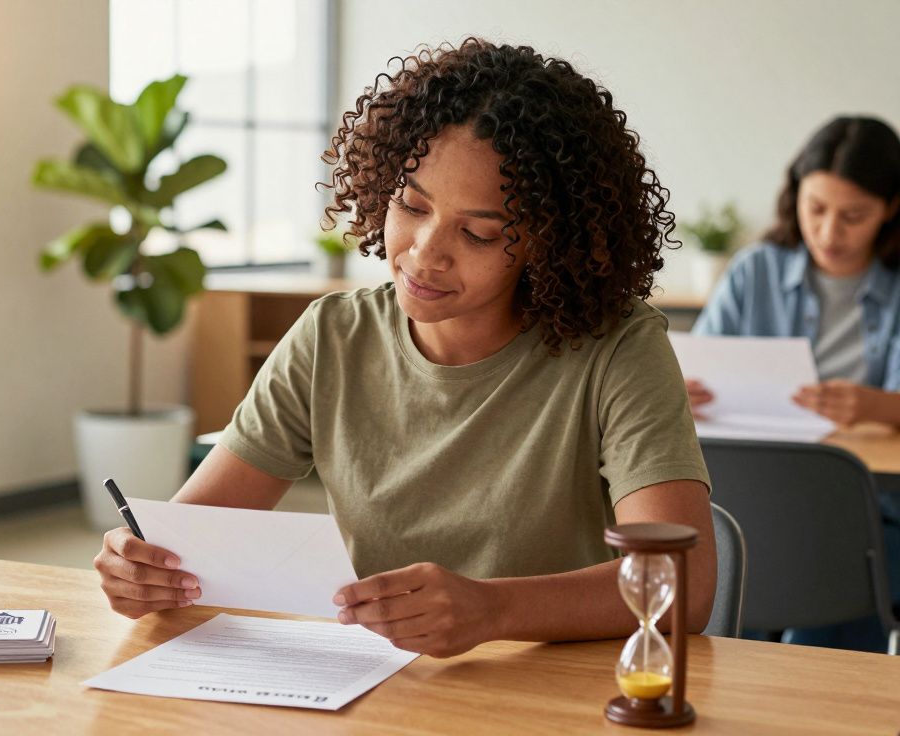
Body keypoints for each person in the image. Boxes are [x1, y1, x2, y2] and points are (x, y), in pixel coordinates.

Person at [93, 38, 716, 658]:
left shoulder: (617, 350)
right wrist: (141, 569)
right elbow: (190, 540)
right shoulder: (333, 337)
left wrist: (494, 609)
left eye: (478, 233)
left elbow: (681, 587)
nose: (424, 252)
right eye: (410, 205)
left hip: (556, 692)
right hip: (377, 687)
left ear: (547, 245)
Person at [690, 116, 900, 652]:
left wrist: (879, 405)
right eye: (817, 209)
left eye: (854, 216)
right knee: (738, 554)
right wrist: (679, 392)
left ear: (891, 208)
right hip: (755, 498)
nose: (830, 232)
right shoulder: (753, 271)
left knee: (823, 583)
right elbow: (701, 368)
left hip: (868, 507)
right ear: (794, 198)